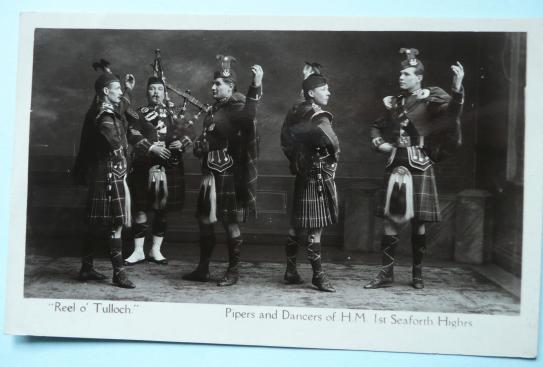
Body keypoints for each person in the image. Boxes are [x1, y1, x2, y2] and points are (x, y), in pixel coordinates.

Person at [365, 48, 465, 289]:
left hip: (419, 162)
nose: (401, 77)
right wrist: (380, 144)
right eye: (400, 73)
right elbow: (376, 127)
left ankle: (417, 274)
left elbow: (451, 116)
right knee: (391, 219)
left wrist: (457, 87)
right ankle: (386, 274)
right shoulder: (394, 102)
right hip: (396, 161)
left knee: (418, 221)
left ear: (419, 77)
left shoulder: (430, 99)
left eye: (407, 73)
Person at [182, 55, 263, 286]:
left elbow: (249, 116)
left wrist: (255, 85)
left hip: (228, 175)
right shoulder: (214, 110)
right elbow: (209, 138)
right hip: (209, 174)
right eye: (213, 83)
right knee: (205, 221)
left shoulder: (237, 105)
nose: (213, 87)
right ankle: (203, 269)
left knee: (229, 223)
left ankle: (233, 271)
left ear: (231, 87)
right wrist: (198, 146)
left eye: (218, 84)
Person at [72, 61, 139, 289]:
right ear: (105, 92)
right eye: (117, 89)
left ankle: (86, 267)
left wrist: (127, 89)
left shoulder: (106, 110)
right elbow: (115, 140)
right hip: (109, 175)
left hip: (110, 173)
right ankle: (118, 274)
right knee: (116, 224)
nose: (120, 92)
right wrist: (134, 145)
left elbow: (119, 110)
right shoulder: (103, 117)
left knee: (95, 224)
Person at [279, 64, 339, 292]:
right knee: (315, 229)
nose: (329, 92)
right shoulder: (316, 113)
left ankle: (291, 271)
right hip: (317, 175)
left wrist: (296, 159)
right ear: (312, 93)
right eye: (324, 89)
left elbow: (286, 138)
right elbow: (332, 140)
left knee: (296, 225)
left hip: (303, 173)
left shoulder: (296, 110)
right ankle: (318, 277)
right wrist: (332, 156)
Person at [123, 75, 195, 266]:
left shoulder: (175, 114)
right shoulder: (138, 114)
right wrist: (151, 148)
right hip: (143, 167)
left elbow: (190, 133)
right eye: (152, 89)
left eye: (160, 89)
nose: (156, 92)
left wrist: (182, 142)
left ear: (165, 92)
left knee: (162, 210)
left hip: (169, 166)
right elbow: (132, 133)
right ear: (147, 92)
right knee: (140, 207)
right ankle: (138, 251)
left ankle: (156, 250)